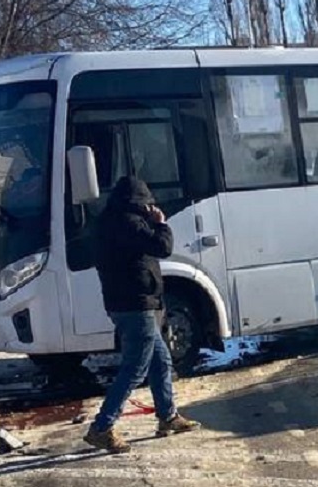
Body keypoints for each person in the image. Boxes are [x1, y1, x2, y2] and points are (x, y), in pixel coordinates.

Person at [84, 175, 200, 454]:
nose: (149, 206)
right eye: (146, 202)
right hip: (137, 305)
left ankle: (167, 416)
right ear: (138, 201)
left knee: (161, 361)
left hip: (125, 303)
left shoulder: (109, 220)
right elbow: (162, 247)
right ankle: (102, 427)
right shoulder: (129, 223)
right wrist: (160, 223)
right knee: (135, 368)